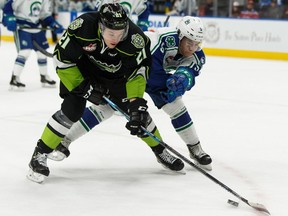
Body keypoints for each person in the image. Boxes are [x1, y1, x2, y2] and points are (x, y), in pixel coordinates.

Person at [26, 3, 184, 184]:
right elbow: (62, 60)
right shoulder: (83, 26)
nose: (116, 38)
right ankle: (39, 155)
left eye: (120, 33)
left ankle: (160, 150)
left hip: (116, 78)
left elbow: (137, 73)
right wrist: (84, 88)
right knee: (72, 110)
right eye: (111, 34)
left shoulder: (136, 39)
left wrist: (135, 102)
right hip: (80, 72)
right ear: (101, 26)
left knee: (139, 116)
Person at [49, 16, 213, 171]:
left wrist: (183, 79)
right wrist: (167, 86)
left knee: (177, 106)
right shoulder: (163, 41)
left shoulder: (197, 54)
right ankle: (65, 139)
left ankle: (195, 148)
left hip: (150, 75)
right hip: (129, 71)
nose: (192, 48)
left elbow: (190, 72)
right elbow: (149, 69)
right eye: (189, 42)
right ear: (180, 36)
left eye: (197, 43)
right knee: (106, 108)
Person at [1, 0, 64, 90]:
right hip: (22, 26)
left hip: (37, 27)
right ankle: (14, 78)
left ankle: (44, 77)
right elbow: (8, 7)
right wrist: (9, 18)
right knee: (24, 52)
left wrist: (53, 23)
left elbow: (44, 15)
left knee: (42, 53)